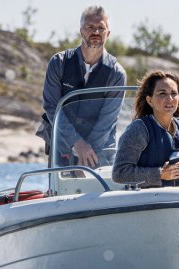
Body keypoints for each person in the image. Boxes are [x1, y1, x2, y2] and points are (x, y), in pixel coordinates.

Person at [36, 5, 126, 168]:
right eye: (90, 27)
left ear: (108, 33)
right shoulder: (59, 63)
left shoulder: (116, 73)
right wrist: (77, 143)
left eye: (101, 28)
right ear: (81, 31)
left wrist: (86, 155)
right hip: (62, 149)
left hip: (100, 153)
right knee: (60, 191)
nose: (96, 32)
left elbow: (107, 121)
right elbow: (52, 108)